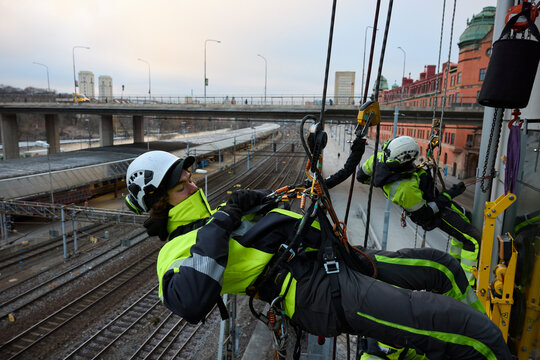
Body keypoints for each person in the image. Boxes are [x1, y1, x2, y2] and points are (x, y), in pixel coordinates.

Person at [125, 150, 511, 360]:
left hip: (332, 260)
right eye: (182, 186)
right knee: (473, 334)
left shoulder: (217, 217)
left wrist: (255, 203)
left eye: (191, 178)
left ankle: (401, 347)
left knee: (439, 267)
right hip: (315, 290)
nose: (194, 186)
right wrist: (222, 221)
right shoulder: (174, 254)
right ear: (159, 203)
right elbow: (192, 302)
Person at [356, 136, 481, 285]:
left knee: (465, 218)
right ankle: (467, 283)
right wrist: (451, 194)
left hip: (429, 201)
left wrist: (376, 182)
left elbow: (361, 177)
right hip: (431, 214)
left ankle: (456, 263)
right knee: (472, 239)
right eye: (411, 161)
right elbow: (426, 213)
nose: (412, 163)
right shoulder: (404, 188)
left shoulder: (378, 158)